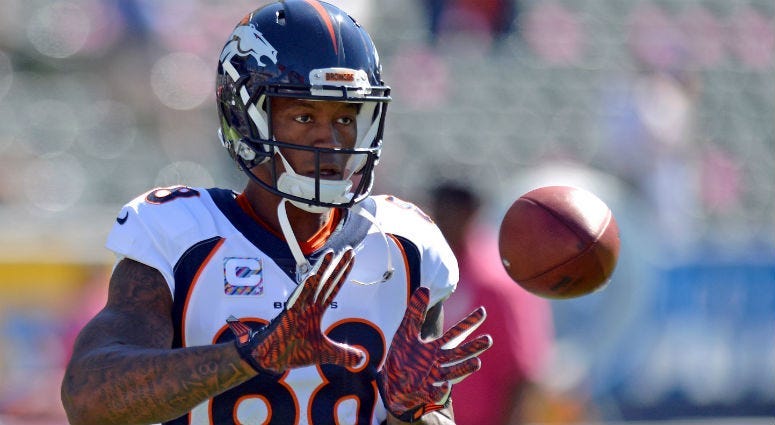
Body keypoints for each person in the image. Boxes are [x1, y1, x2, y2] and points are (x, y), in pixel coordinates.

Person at [60, 1, 492, 424]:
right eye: (305, 116)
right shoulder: (179, 235)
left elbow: (434, 413)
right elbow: (88, 401)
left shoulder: (406, 245)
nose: (331, 141)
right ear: (245, 117)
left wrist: (412, 413)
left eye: (346, 118)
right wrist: (251, 356)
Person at [428, 182, 554, 425]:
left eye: (451, 210)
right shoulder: (422, 272)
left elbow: (522, 372)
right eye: (439, 210)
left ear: (471, 213)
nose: (443, 220)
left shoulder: (497, 282)